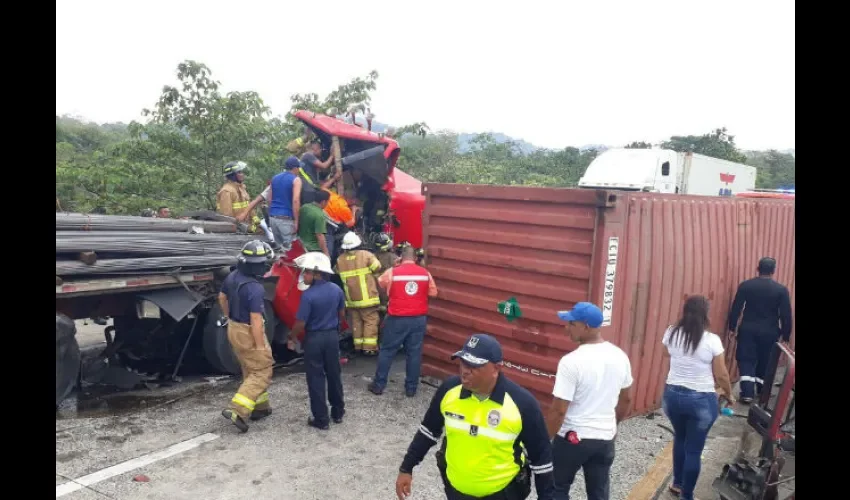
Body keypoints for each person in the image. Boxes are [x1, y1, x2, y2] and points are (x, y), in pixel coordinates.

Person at [395, 333, 554, 500]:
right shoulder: (449, 391)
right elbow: (427, 432)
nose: (465, 371)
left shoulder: (523, 404)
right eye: (463, 362)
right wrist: (407, 468)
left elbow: (542, 460)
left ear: (496, 368)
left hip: (504, 494)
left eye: (474, 366)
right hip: (455, 492)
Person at [545, 302, 633, 500]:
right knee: (599, 492)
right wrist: (613, 425)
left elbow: (559, 410)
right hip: (604, 439)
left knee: (557, 488)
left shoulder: (571, 361)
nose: (566, 328)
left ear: (586, 326)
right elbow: (626, 398)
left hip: (572, 438)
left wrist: (544, 440)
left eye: (571, 324)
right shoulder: (620, 356)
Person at [661, 295, 735, 500]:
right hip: (700, 400)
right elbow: (721, 375)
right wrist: (728, 394)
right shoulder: (712, 341)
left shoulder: (671, 332)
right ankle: (687, 496)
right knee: (694, 449)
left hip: (672, 396)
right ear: (706, 314)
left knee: (680, 437)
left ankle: (677, 484)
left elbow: (666, 354)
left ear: (684, 312)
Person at [218, 240, 276, 433]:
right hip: (248, 331)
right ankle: (238, 410)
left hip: (234, 327)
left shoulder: (234, 276)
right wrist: (260, 346)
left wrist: (227, 316)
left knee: (249, 368)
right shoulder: (255, 288)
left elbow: (222, 297)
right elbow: (256, 319)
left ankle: (260, 407)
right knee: (262, 370)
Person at [287, 252, 346, 430]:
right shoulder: (337, 290)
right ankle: (338, 413)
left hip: (314, 339)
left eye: (306, 272)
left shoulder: (308, 296)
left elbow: (300, 323)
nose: (303, 275)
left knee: (316, 378)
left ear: (316, 273)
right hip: (332, 337)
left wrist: (291, 337)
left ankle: (321, 419)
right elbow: (342, 314)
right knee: (334, 375)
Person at [368, 246, 438, 397]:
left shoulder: (393, 272)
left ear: (400, 257)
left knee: (387, 351)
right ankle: (411, 389)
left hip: (397, 318)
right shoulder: (425, 273)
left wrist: (395, 266)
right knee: (414, 353)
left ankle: (379, 385)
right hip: (418, 319)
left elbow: (381, 283)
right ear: (415, 258)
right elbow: (433, 292)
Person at [727, 257, 793, 404]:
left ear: (758, 268)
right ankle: (762, 392)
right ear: (773, 271)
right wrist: (786, 335)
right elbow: (786, 314)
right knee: (765, 361)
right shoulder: (781, 290)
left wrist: (732, 327)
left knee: (746, 359)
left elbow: (736, 307)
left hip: (748, 330)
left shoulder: (746, 286)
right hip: (770, 332)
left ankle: (747, 393)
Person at [336, 232, 383, 355]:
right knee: (370, 321)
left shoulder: (340, 260)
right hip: (368, 298)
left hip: (351, 300)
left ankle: (358, 346)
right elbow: (377, 267)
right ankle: (369, 348)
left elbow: (336, 271)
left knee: (356, 322)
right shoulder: (366, 255)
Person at [247, 156, 302, 253]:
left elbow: (269, 198)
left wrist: (273, 212)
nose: (299, 170)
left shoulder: (275, 178)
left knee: (280, 251)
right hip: (286, 219)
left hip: (273, 219)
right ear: (295, 168)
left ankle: (278, 267)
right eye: (299, 168)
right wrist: (297, 221)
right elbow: (296, 201)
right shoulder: (296, 180)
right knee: (291, 252)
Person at [216, 161, 262, 234]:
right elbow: (227, 218)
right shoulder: (226, 191)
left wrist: (256, 222)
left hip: (247, 227)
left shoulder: (241, 188)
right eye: (239, 172)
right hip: (238, 230)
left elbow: (249, 207)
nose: (242, 174)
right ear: (232, 175)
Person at [298, 189, 331, 256]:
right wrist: (326, 253)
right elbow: (320, 235)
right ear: (323, 202)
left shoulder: (304, 207)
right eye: (328, 202)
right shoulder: (319, 215)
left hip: (301, 244)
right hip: (313, 248)